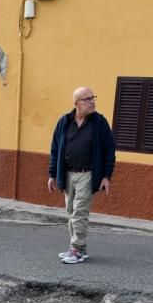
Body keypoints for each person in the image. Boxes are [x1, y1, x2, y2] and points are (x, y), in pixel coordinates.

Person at [48, 87, 115, 263]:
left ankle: (76, 250)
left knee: (79, 213)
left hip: (87, 175)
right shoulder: (64, 122)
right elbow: (55, 149)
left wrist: (106, 176)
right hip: (68, 174)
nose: (92, 101)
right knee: (70, 212)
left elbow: (109, 150)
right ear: (77, 103)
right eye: (87, 99)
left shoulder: (99, 123)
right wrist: (52, 174)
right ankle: (80, 249)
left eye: (93, 97)